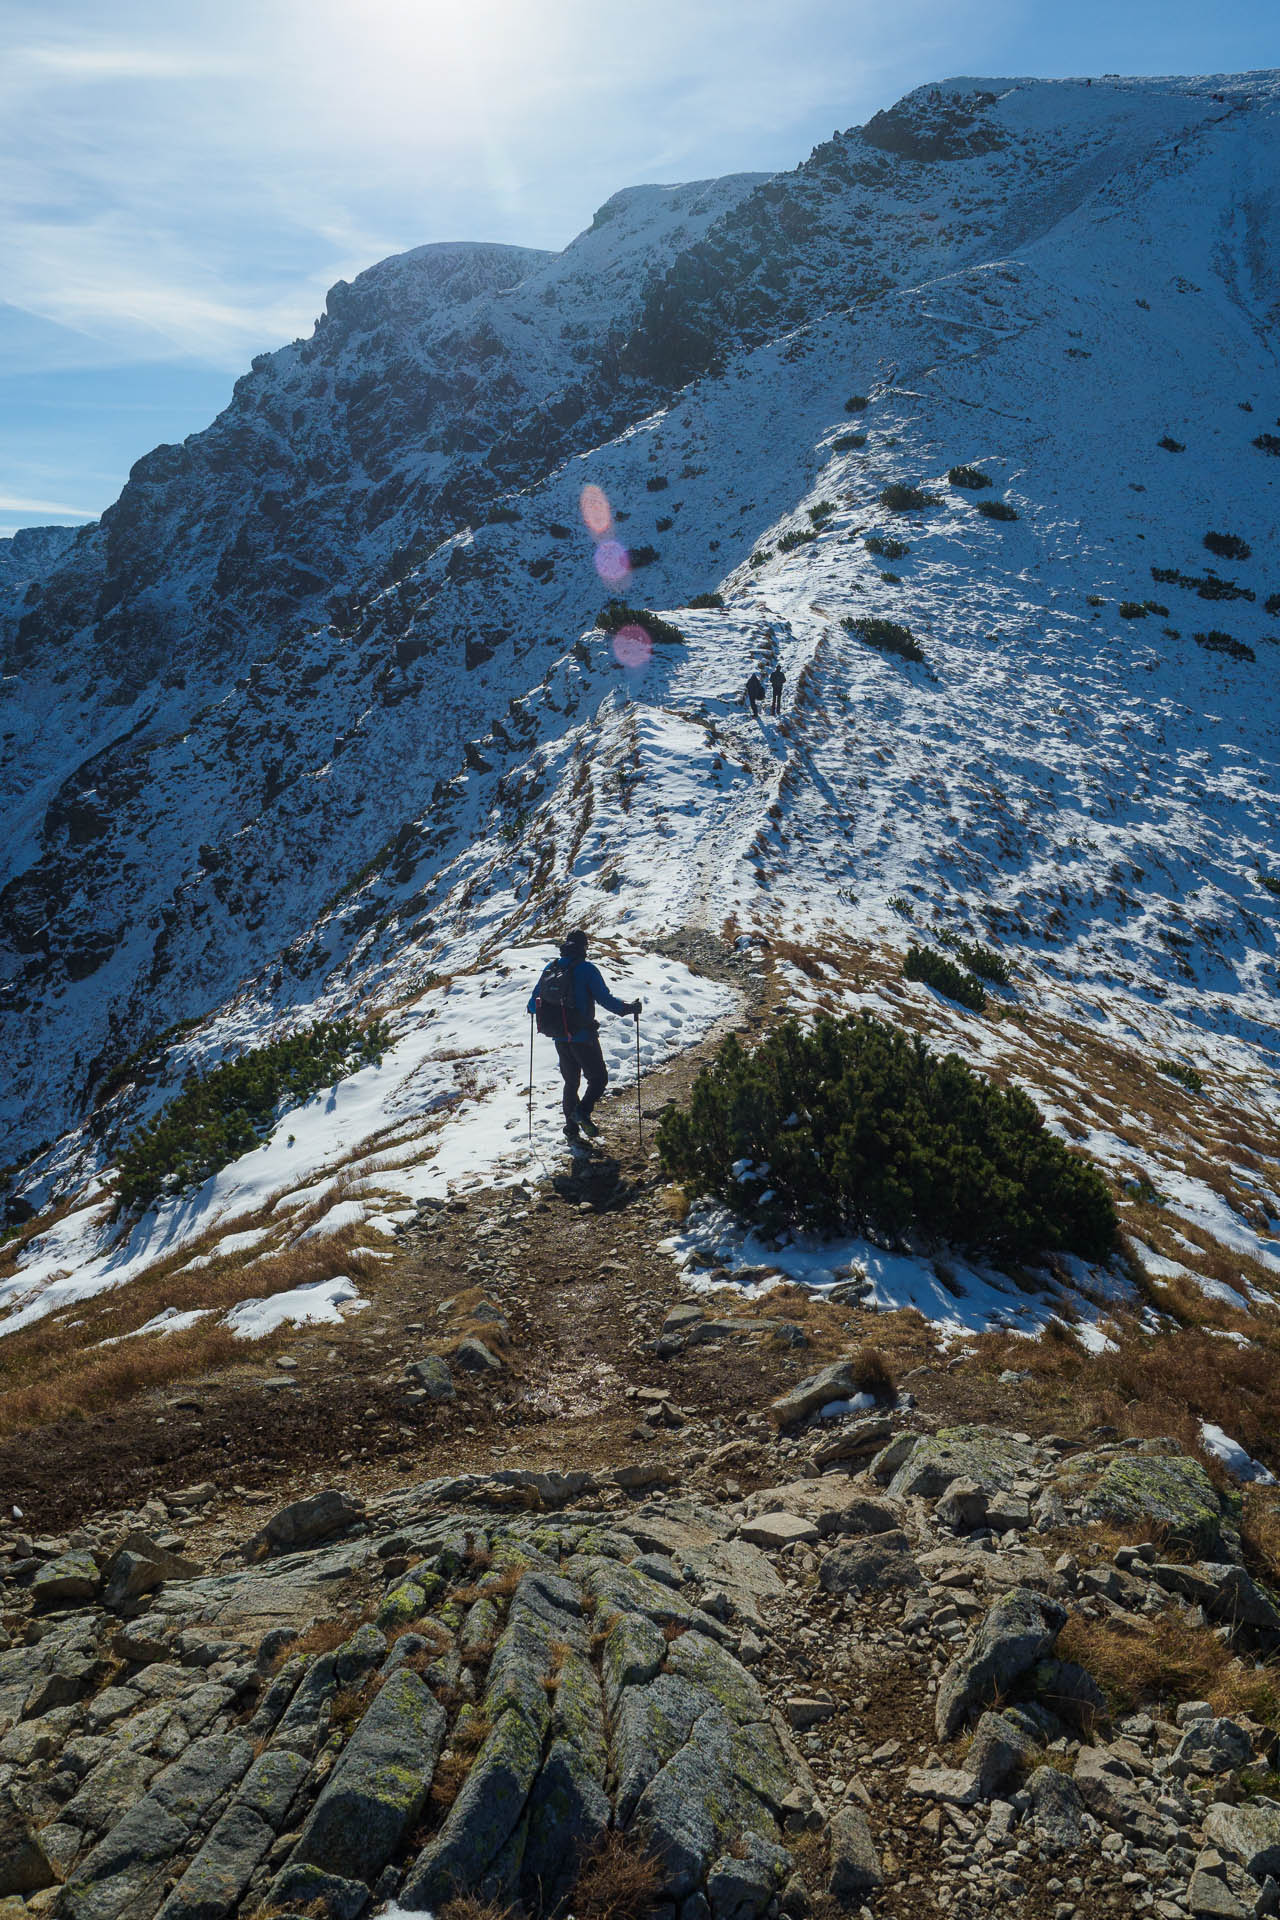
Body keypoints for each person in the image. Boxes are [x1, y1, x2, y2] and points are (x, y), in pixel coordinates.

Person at [528, 930, 641, 1143]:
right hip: (582, 1037)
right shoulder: (587, 969)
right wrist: (629, 1008)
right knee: (598, 1078)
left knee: (571, 1083)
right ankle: (582, 1112)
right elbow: (605, 1000)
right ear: (584, 948)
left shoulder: (551, 968)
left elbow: (533, 1004)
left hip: (560, 1037)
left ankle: (571, 1129)